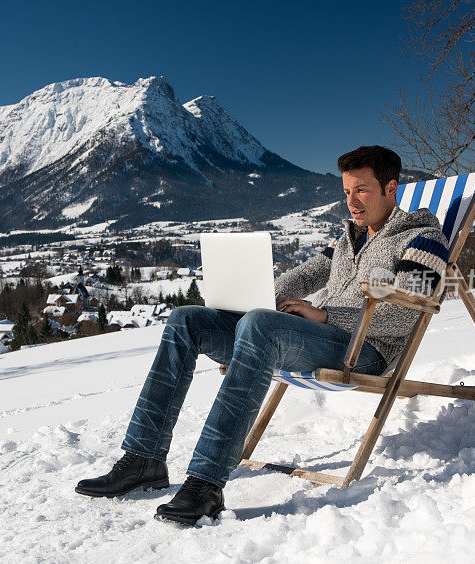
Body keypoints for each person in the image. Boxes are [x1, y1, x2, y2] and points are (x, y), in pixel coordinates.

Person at [75, 145, 449, 525]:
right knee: (186, 320)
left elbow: (407, 312)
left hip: (364, 350)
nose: (351, 202)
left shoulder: (420, 237)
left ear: (391, 188)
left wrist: (323, 313)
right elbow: (303, 276)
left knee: (259, 326)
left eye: (362, 191)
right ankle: (144, 458)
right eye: (346, 192)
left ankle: (205, 484)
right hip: (316, 337)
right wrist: (256, 296)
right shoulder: (350, 237)